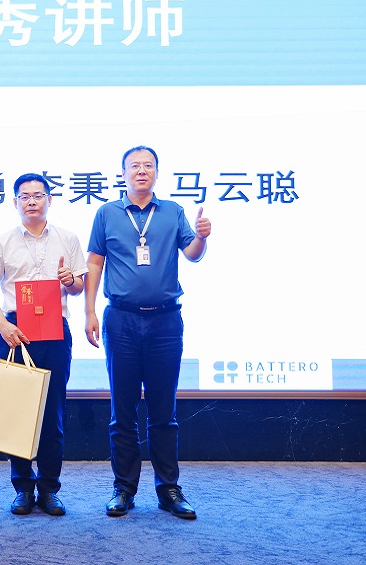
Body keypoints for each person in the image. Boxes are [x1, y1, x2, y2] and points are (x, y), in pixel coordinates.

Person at [84, 146, 211, 520]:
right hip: (120, 320)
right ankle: (123, 489)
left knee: (163, 411)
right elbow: (95, 263)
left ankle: (168, 489)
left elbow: (192, 253)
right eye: (134, 166)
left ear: (157, 172)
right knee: (122, 411)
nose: (141, 171)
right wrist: (89, 310)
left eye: (148, 166)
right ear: (123, 173)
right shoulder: (107, 213)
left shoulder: (172, 211)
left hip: (165, 322)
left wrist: (202, 237)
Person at [0, 173, 86, 517]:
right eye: (24, 196)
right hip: (15, 330)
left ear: (49, 199)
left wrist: (70, 280)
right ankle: (23, 488)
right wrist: (2, 324)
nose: (31, 201)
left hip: (55, 329)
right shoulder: (2, 242)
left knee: (53, 415)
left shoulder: (68, 238)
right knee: (17, 415)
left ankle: (50, 489)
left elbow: (79, 287)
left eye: (38, 195)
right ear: (15, 202)